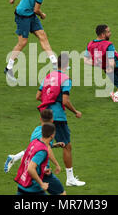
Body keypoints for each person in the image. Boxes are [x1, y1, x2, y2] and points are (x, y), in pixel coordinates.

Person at [35, 54, 85, 187]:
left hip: (46, 114)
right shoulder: (65, 79)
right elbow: (65, 100)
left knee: (43, 143)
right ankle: (70, 179)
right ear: (66, 65)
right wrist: (75, 112)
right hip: (58, 117)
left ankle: (19, 158)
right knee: (67, 146)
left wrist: (49, 101)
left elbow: (38, 96)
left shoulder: (48, 76)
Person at [4, 0, 61, 82]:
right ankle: (8, 68)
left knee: (42, 36)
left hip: (30, 15)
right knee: (22, 42)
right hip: (23, 15)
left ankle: (55, 64)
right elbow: (36, 9)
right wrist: (42, 15)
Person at [4, 109, 66, 195]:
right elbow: (46, 150)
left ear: (41, 119)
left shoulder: (36, 136)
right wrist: (56, 165)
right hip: (39, 173)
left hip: (25, 179)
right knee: (61, 193)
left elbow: (32, 151)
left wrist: (55, 145)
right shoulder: (43, 150)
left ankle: (14, 157)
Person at [14, 123, 57, 195]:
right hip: (33, 188)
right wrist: (42, 184)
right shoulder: (42, 151)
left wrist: (42, 170)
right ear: (52, 135)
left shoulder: (34, 142)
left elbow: (24, 160)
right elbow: (30, 168)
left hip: (22, 185)